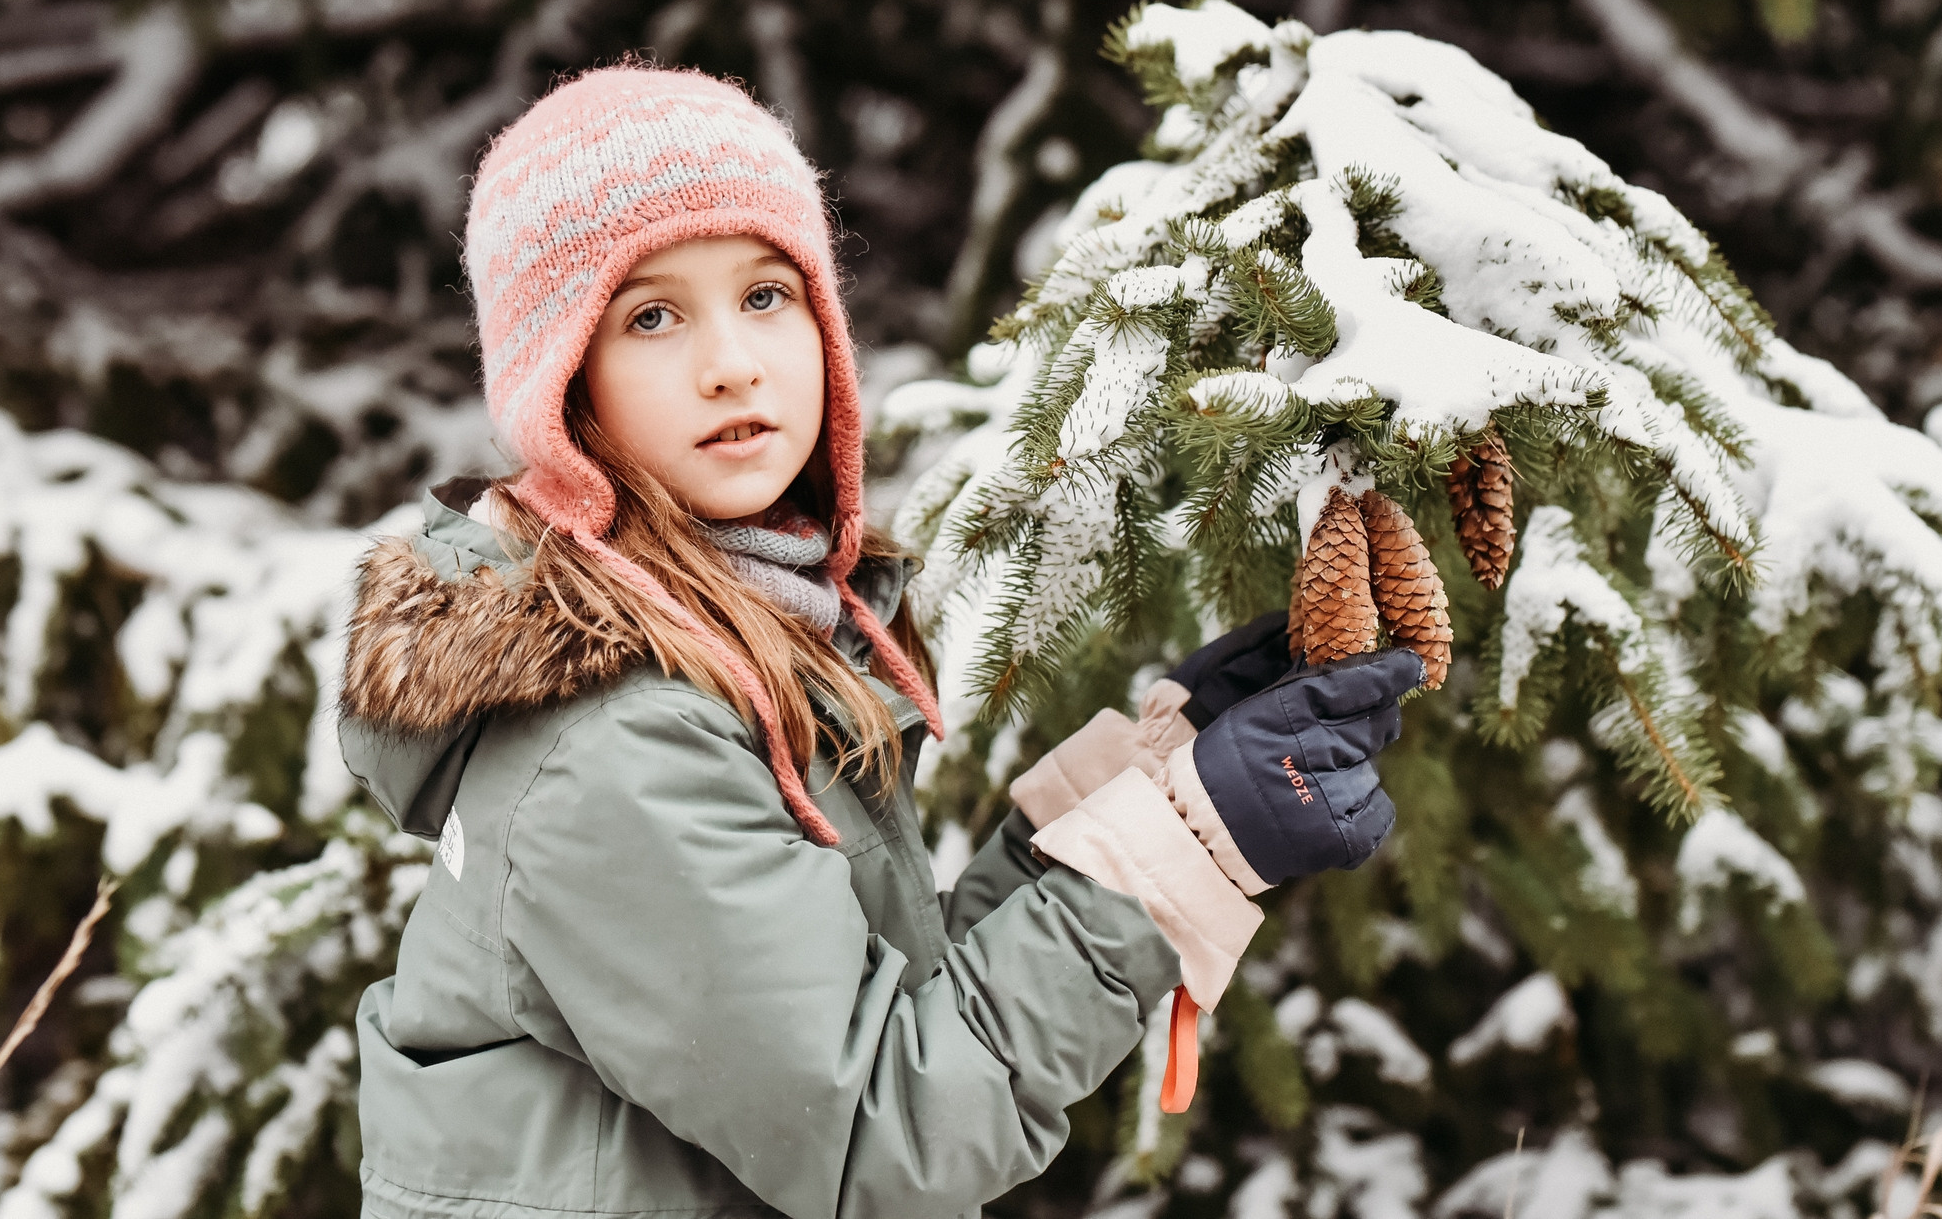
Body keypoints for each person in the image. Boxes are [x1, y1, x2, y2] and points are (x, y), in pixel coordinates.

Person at [340, 65, 1421, 1219]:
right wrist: (1181, 850)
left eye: (766, 295)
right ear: (562, 384)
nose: (731, 362)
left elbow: (870, 1016)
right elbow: (884, 1135)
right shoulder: (610, 743)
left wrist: (1161, 774)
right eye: (651, 315)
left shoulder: (733, 628)